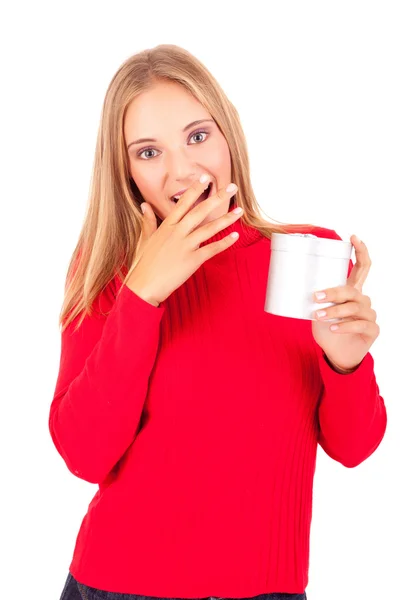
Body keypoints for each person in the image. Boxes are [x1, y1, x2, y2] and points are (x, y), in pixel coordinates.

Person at [49, 45, 387, 600]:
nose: (182, 170)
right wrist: (143, 295)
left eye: (198, 137)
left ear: (229, 135)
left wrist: (345, 362)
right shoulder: (109, 268)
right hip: (119, 588)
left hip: (268, 591)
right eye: (149, 152)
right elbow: (84, 456)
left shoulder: (305, 256)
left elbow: (354, 447)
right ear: (125, 169)